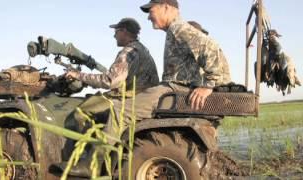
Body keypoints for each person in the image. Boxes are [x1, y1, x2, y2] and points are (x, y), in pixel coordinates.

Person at [58, 0, 231, 177]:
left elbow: (211, 49)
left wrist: (209, 85)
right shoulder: (172, 32)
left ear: (166, 7)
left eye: (151, 10)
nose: (148, 16)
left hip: (174, 88)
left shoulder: (179, 28)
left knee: (119, 111)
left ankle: (92, 165)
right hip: (172, 87)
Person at [55, 18, 159, 177]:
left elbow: (109, 81)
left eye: (116, 32)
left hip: (128, 100)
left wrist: (78, 75)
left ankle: (87, 160)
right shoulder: (143, 50)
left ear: (124, 31)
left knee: (80, 113)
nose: (114, 36)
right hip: (141, 98)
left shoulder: (128, 52)